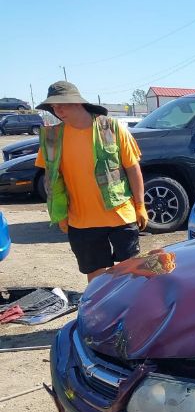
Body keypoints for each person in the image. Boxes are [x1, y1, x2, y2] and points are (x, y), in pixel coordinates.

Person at [34, 81, 148, 282]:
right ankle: (102, 313)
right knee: (96, 279)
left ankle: (130, 313)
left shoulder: (112, 128)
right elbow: (51, 179)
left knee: (130, 275)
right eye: (53, 106)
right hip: (81, 221)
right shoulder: (52, 137)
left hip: (120, 215)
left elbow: (132, 168)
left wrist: (140, 205)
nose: (57, 110)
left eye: (61, 104)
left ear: (77, 102)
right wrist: (60, 213)